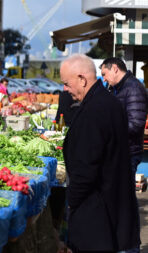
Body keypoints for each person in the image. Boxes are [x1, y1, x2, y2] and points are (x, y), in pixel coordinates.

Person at [60, 54, 140, 252]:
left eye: (67, 83)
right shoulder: (105, 101)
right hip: (110, 207)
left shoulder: (96, 109)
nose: (64, 89)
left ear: (82, 79)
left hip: (98, 214)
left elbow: (87, 168)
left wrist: (71, 203)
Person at [100, 57, 148, 185]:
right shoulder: (116, 88)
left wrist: (108, 129)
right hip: (117, 151)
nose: (104, 79)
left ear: (115, 69)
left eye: (104, 74)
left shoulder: (134, 88)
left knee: (122, 196)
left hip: (127, 153)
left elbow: (135, 124)